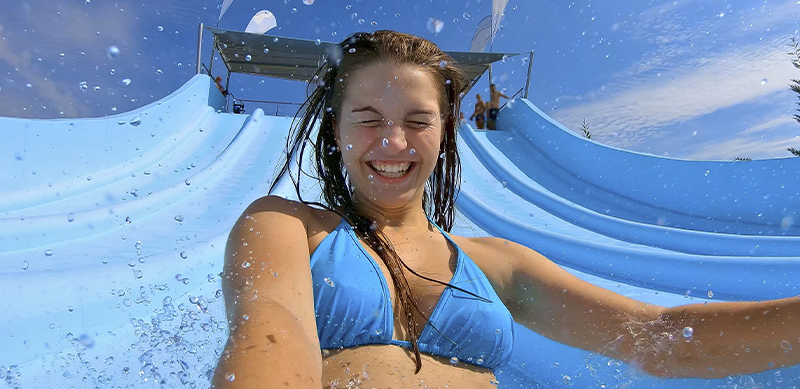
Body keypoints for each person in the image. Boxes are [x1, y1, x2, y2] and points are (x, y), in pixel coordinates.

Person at [212, 30, 800, 389]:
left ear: (446, 131)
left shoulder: (499, 265)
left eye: (417, 120)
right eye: (368, 120)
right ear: (336, 130)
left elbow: (659, 338)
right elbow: (271, 336)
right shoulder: (285, 226)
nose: (392, 142)